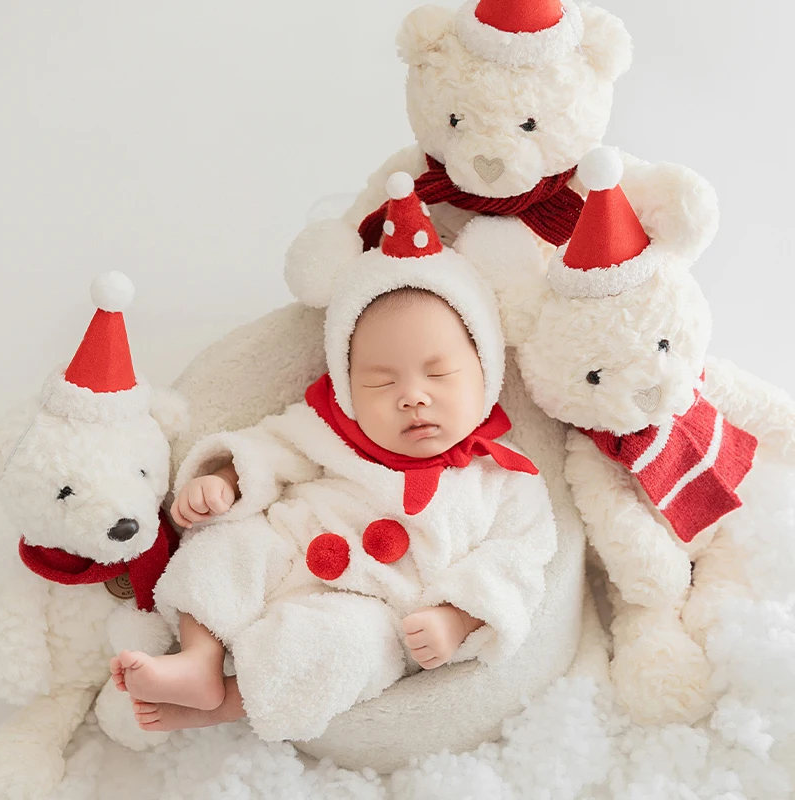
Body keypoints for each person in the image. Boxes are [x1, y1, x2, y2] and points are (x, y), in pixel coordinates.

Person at [110, 174, 558, 741]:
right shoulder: (329, 428)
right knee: (225, 546)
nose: (413, 395)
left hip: (371, 606)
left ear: (486, 371)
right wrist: (225, 479)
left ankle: (222, 703)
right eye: (379, 381)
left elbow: (517, 561)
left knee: (341, 653)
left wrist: (457, 616)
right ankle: (200, 657)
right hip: (287, 545)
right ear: (346, 388)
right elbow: (273, 449)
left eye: (440, 374)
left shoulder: (506, 478)